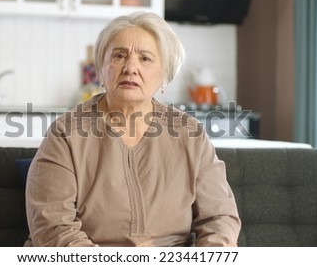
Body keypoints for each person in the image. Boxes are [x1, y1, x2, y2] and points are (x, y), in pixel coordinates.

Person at [25, 12, 241, 247]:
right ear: (101, 69)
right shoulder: (65, 133)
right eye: (119, 56)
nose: (130, 67)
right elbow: (53, 228)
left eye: (145, 59)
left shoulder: (191, 135)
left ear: (165, 76)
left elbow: (219, 219)